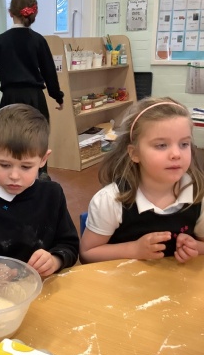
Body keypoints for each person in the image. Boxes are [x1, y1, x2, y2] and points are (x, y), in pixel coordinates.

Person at [0, 104, 79, 277]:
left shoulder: (52, 195)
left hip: (44, 286)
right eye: (5, 165)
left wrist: (55, 260)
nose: (14, 176)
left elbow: (70, 246)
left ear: (43, 159)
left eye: (26, 167)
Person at [80, 97, 204, 264]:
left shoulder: (198, 194)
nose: (176, 154)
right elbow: (87, 253)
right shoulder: (110, 200)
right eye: (161, 145)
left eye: (184, 144)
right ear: (134, 153)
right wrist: (133, 250)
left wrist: (196, 247)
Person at [0, 0, 64, 181]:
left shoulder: (1, 41)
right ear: (33, 13)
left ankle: (10, 173)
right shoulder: (38, 40)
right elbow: (49, 72)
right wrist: (58, 96)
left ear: (10, 13)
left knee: (10, 137)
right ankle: (41, 173)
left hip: (10, 98)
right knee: (37, 136)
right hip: (35, 98)